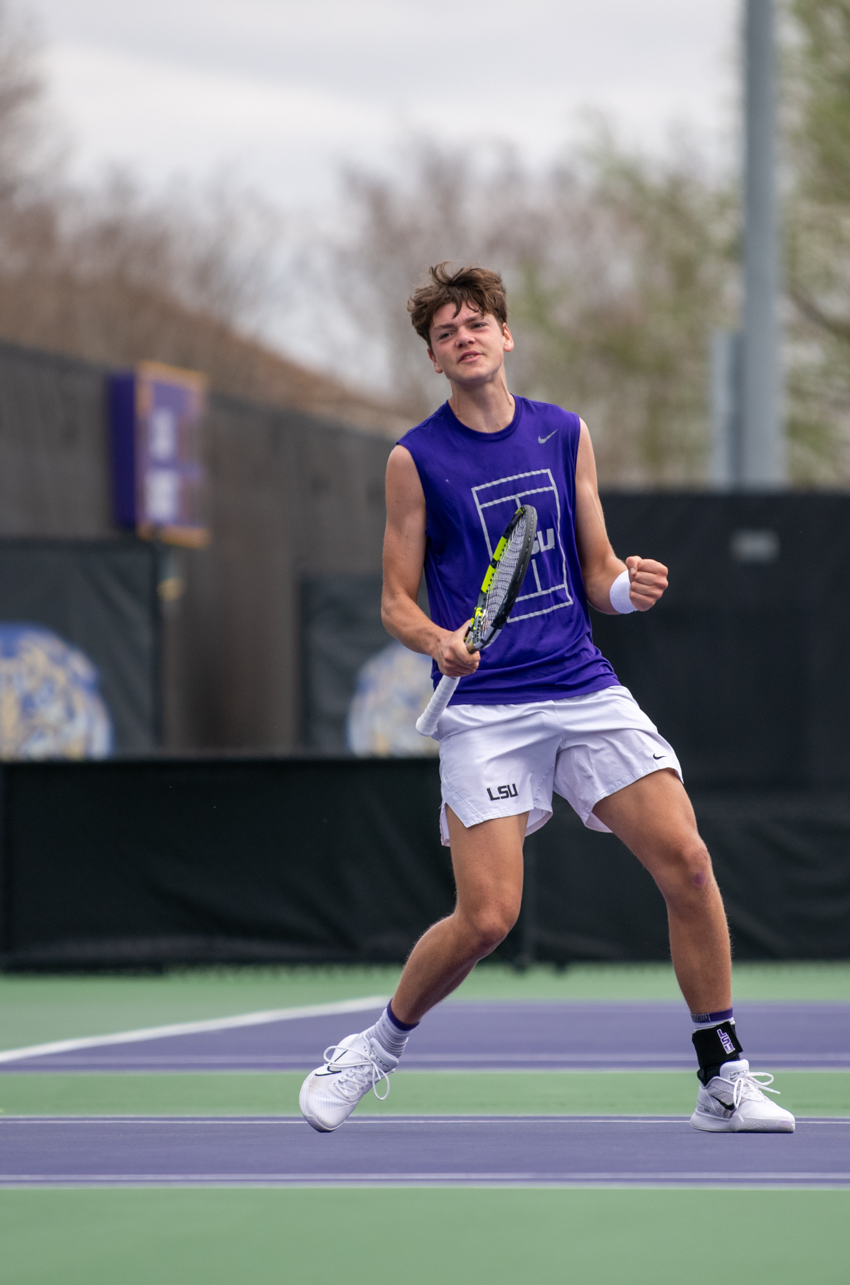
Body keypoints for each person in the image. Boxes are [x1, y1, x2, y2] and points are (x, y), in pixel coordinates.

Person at [297, 263, 794, 1134]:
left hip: (581, 685)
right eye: (446, 332)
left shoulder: (564, 434)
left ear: (506, 335)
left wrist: (629, 590)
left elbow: (598, 575)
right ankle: (372, 1048)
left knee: (688, 861)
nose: (465, 337)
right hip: (485, 711)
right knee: (487, 918)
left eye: (476, 322)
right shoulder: (414, 460)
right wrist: (436, 639)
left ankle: (724, 1076)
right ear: (435, 358)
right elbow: (394, 601)